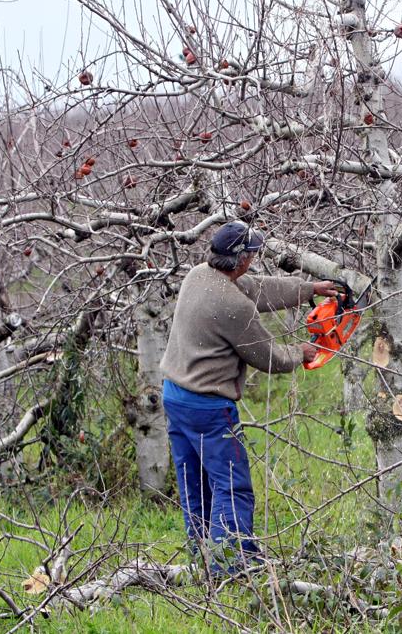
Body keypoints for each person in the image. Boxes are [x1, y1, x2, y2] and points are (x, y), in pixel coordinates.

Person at [159, 221, 336, 574]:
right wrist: (300, 352)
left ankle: (201, 556)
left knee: (194, 482)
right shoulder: (233, 307)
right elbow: (267, 356)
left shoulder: (198, 275)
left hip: (174, 396)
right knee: (231, 484)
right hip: (209, 407)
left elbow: (256, 288)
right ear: (242, 259)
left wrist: (308, 289)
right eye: (253, 253)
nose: (254, 258)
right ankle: (231, 566)